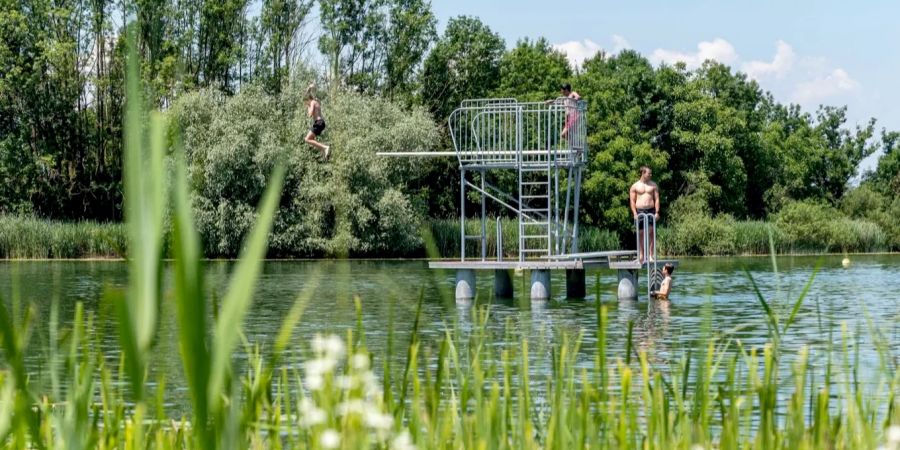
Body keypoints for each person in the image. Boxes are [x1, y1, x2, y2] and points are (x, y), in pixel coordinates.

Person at [630, 166, 660, 263]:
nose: (650, 175)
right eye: (649, 173)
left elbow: (657, 199)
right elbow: (632, 201)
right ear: (643, 173)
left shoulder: (653, 185)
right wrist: (634, 213)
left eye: (651, 173)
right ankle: (641, 256)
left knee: (651, 232)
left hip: (651, 211)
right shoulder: (635, 186)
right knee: (640, 233)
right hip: (640, 211)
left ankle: (651, 255)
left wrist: (657, 212)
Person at [303, 83, 330, 160]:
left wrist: (308, 106)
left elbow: (310, 114)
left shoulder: (312, 103)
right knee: (311, 139)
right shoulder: (316, 101)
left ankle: (325, 148)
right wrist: (309, 88)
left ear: (308, 99)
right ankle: (324, 150)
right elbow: (307, 94)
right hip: (321, 123)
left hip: (318, 122)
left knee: (307, 139)